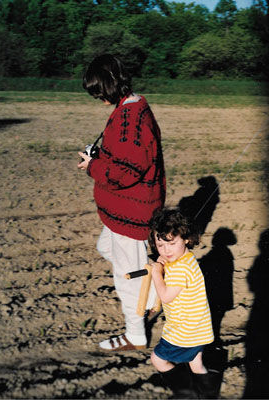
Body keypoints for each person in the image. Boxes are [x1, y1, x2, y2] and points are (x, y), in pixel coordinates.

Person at [77, 54, 166, 351]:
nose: (99, 99)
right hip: (123, 209)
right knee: (107, 249)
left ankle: (136, 334)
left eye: (99, 92)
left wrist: (92, 166)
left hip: (132, 210)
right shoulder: (131, 105)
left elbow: (125, 172)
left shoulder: (130, 117)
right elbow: (126, 159)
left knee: (127, 277)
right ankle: (154, 292)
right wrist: (99, 157)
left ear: (111, 86)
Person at [148, 208, 218, 398]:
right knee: (196, 363)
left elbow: (166, 296)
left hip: (184, 331)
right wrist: (164, 262)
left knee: (158, 359)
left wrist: (156, 273)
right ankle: (208, 393)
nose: (166, 250)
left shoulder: (180, 269)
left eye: (171, 243)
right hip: (199, 328)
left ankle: (187, 394)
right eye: (160, 245)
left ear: (186, 238)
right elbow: (172, 263)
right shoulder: (186, 259)